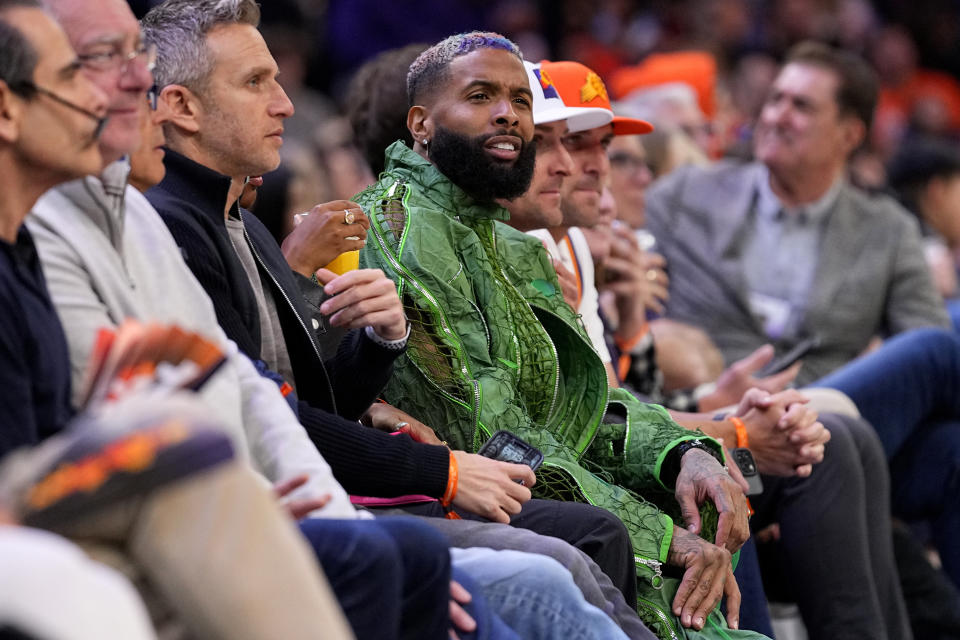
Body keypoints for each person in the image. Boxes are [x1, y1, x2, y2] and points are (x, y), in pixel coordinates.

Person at [137, 4, 647, 637]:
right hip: (284, 512)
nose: (286, 104)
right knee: (574, 552)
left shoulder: (241, 224)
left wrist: (382, 341)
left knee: (600, 539)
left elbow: (316, 399)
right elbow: (269, 419)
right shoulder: (182, 227)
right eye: (255, 83)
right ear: (421, 126)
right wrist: (446, 471)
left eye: (522, 102)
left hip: (328, 494)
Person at [355, 31, 763, 639]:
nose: (507, 114)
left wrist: (684, 452)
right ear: (421, 123)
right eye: (481, 96)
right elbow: (492, 436)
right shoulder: (402, 229)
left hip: (563, 497)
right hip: (470, 502)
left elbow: (594, 403)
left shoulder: (511, 243)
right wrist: (657, 534)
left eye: (521, 101)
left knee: (721, 491)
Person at [0, 3, 352, 638]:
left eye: (140, 58)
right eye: (85, 69)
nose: (139, 87)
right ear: (7, 110)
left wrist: (383, 342)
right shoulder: (136, 218)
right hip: (47, 519)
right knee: (182, 444)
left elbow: (256, 387)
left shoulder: (124, 221)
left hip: (74, 510)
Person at [647, 41, 950, 387]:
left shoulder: (889, 231)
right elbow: (615, 274)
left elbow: (930, 349)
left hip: (825, 409)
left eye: (801, 107)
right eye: (775, 99)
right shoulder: (686, 194)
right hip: (701, 401)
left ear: (849, 134)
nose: (777, 117)